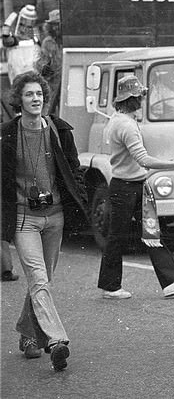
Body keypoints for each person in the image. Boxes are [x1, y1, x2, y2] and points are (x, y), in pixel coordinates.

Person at [1, 71, 89, 371]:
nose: (35, 99)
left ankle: (27, 334)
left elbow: (75, 168)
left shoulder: (59, 129)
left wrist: (78, 197)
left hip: (55, 216)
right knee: (38, 279)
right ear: (19, 100)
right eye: (29, 94)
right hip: (24, 218)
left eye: (39, 94)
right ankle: (56, 340)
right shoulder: (7, 135)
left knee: (43, 281)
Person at [97, 75, 174, 299]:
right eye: (139, 97)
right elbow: (142, 159)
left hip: (129, 184)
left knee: (143, 233)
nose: (142, 100)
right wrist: (172, 164)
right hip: (127, 187)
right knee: (128, 234)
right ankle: (111, 286)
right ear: (131, 100)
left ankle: (171, 282)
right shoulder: (127, 125)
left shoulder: (116, 120)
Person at [34, 9, 62, 117]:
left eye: (58, 25)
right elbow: (42, 63)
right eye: (53, 25)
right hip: (53, 83)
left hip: (65, 81)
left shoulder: (65, 41)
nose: (56, 28)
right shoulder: (48, 42)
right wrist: (45, 68)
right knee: (49, 113)